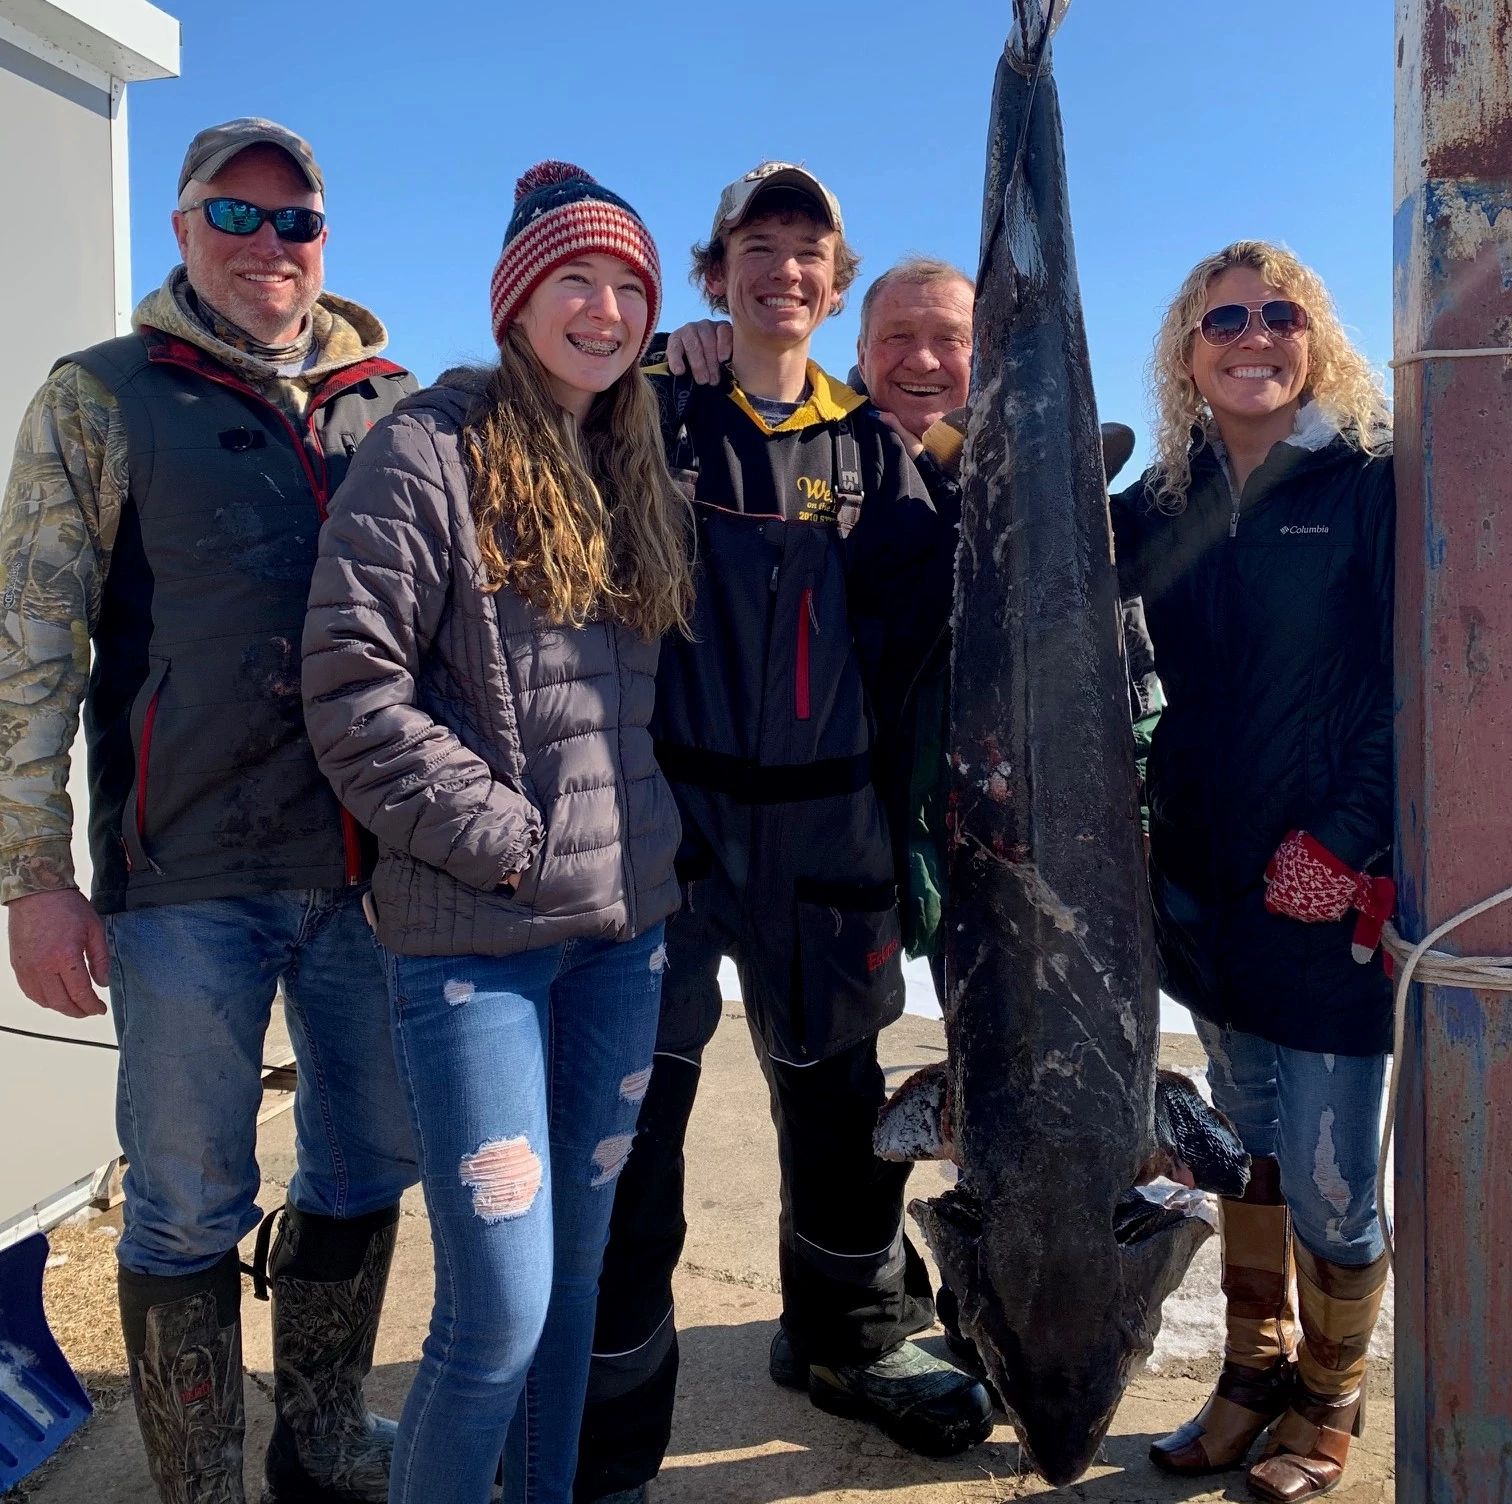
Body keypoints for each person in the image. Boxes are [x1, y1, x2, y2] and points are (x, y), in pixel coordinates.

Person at [0, 118, 419, 1503]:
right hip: (187, 874)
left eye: (292, 221)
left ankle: (322, 1432)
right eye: (230, 219)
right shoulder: (102, 396)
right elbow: (32, 647)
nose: (266, 246)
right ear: (181, 230)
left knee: (370, 1158)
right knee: (184, 1194)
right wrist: (32, 876)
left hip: (374, 878)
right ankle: (201, 1483)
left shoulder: (393, 405)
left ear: (324, 241)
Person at [574, 164, 992, 1504]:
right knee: (637, 1123)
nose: (785, 272)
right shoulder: (652, 411)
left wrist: (973, 452)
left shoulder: (872, 447)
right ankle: (612, 1414)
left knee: (839, 1109)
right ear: (715, 274)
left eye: (810, 252)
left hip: (830, 835)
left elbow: (956, 614)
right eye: (760, 247)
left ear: (834, 280)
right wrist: (647, 353)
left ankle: (847, 1340)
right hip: (670, 828)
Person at [301, 161, 693, 1504]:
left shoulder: (634, 456)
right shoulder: (433, 446)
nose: (604, 307)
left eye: (629, 285)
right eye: (576, 281)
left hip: (620, 947)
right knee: (499, 1314)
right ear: (518, 299)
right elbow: (350, 690)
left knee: (574, 1293)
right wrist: (508, 840)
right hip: (476, 946)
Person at [1111, 241, 1394, 1504]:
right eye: (1223, 317)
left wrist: (1347, 837)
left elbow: (1416, 680)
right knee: (1252, 1152)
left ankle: (1328, 1407)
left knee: (1336, 1172)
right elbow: (1031, 559)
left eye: (1280, 314)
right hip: (1207, 890)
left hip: (1329, 891)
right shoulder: (1161, 502)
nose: (1252, 334)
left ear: (1313, 337)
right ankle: (1251, 1374)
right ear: (1188, 351)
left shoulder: (1368, 482)